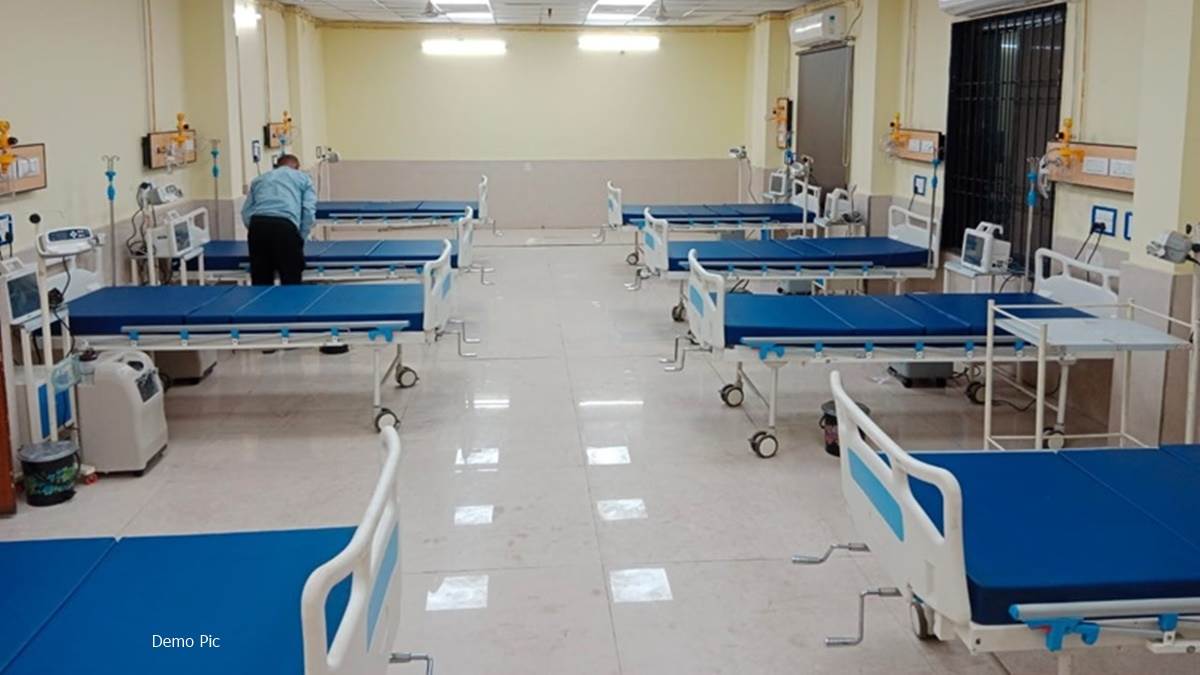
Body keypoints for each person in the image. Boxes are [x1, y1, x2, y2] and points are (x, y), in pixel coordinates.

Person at [240, 154, 316, 286]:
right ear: (297, 167)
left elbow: (246, 212)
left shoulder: (260, 179)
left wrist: (255, 229)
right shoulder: (303, 179)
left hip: (258, 226)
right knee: (291, 280)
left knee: (260, 282)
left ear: (276, 166)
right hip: (285, 227)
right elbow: (308, 211)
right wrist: (300, 237)